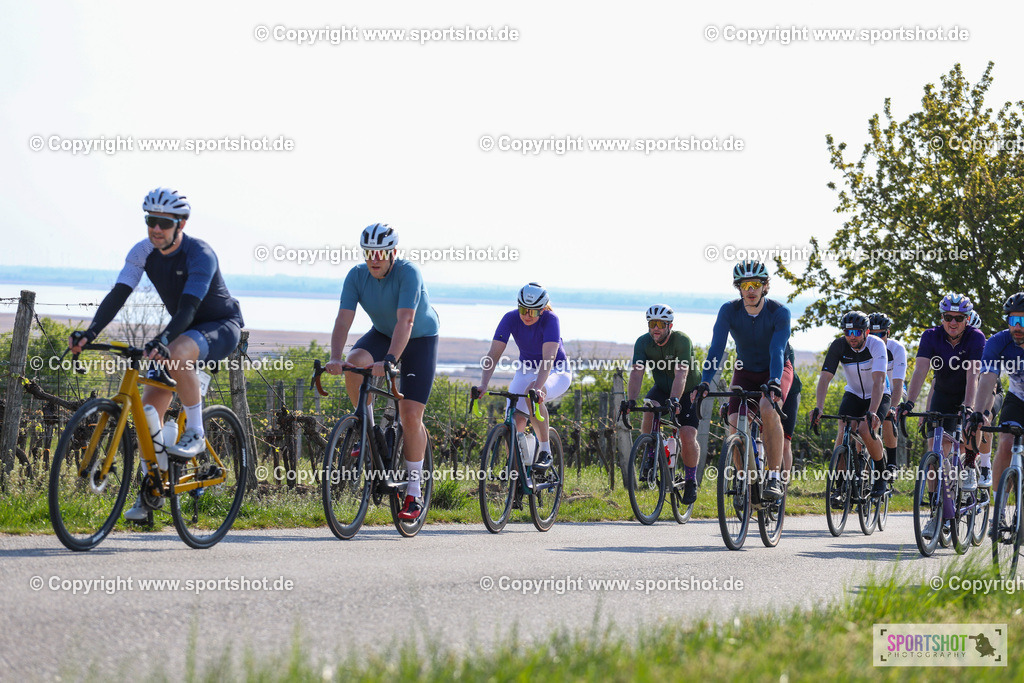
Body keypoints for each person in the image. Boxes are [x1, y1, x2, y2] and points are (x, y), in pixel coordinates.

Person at [68, 187, 245, 520]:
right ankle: (152, 492)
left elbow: (190, 309)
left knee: (177, 351)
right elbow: (118, 294)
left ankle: (195, 429)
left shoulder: (200, 254)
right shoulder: (142, 251)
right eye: (151, 220)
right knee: (149, 412)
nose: (156, 229)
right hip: (181, 328)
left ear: (181, 223)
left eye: (164, 222)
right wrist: (90, 332)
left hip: (219, 325)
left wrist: (163, 339)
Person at [325, 223, 439, 521]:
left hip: (418, 339)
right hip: (382, 333)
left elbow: (406, 322)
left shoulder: (408, 273)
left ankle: (413, 491)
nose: (374, 259)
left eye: (380, 253)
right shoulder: (356, 276)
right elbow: (342, 320)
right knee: (355, 362)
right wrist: (336, 357)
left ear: (392, 253)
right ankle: (367, 427)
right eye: (368, 254)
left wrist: (389, 359)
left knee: (410, 415)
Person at [693, 260, 792, 501]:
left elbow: (778, 350)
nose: (750, 290)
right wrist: (705, 381)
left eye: (756, 284)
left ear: (765, 286)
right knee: (735, 421)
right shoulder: (729, 310)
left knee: (769, 409)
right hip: (745, 370)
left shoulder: (779, 312)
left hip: (776, 370)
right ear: (738, 287)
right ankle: (744, 481)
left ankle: (773, 476)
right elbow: (716, 349)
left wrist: (775, 381)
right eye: (745, 284)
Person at [897, 293, 985, 538]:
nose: (953, 322)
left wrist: (968, 407)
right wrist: (909, 402)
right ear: (942, 317)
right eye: (948, 317)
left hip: (968, 393)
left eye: (959, 318)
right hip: (943, 394)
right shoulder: (930, 336)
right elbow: (921, 371)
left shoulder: (976, 337)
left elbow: (973, 376)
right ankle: (937, 513)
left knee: (966, 432)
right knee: (934, 453)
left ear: (967, 319)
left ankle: (969, 467)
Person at [477, 283, 572, 487]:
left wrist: (538, 388)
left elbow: (549, 359)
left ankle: (545, 451)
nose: (526, 315)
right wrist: (483, 384)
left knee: (531, 394)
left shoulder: (551, 320)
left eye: (532, 311)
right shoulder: (510, 318)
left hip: (556, 369)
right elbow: (493, 354)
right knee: (513, 421)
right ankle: (519, 476)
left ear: (543, 309)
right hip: (526, 369)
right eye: (522, 309)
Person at [620, 304, 701, 504]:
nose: (655, 328)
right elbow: (637, 372)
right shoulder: (643, 342)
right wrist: (631, 399)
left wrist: (675, 400)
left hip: (687, 390)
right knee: (649, 407)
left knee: (687, 434)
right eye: (651, 324)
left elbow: (681, 373)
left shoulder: (681, 340)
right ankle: (650, 451)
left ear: (669, 325)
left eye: (660, 324)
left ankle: (691, 480)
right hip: (662, 387)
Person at [810, 312, 890, 502]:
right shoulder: (839, 345)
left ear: (866, 332)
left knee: (865, 429)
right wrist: (819, 407)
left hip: (878, 395)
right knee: (843, 432)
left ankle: (881, 475)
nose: (851, 336)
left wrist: (872, 412)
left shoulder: (877, 345)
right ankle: (839, 486)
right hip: (854, 394)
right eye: (847, 331)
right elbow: (824, 379)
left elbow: (879, 381)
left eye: (856, 332)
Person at [969, 293, 1024, 538]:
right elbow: (988, 378)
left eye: (1023, 321)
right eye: (1013, 320)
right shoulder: (999, 341)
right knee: (1006, 444)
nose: (1018, 327)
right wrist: (979, 412)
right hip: (1018, 398)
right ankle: (999, 510)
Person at [869, 312, 907, 487]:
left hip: (894, 390)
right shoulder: (864, 347)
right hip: (872, 391)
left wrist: (893, 406)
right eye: (872, 334)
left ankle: (891, 463)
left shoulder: (897, 349)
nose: (877, 338)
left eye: (881, 334)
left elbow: (898, 383)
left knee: (888, 417)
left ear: (888, 333)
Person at [780, 343, 802, 485]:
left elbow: (786, 374)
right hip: (764, 390)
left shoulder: (786, 346)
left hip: (790, 393)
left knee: (785, 442)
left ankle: (783, 483)